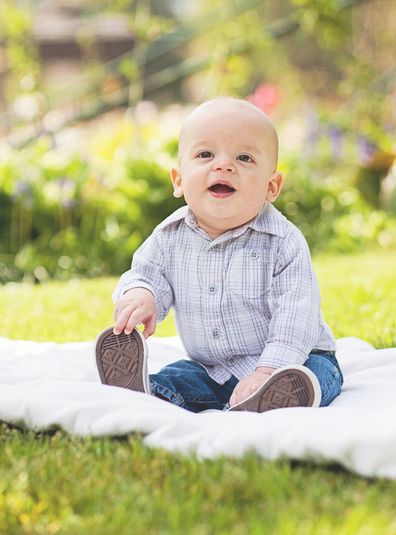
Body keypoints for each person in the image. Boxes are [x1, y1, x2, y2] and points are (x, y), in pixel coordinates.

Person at [95, 97, 343, 413]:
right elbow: (146, 273)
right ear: (179, 180)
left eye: (244, 157)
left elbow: (296, 315)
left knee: (316, 376)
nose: (223, 165)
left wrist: (268, 369)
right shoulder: (168, 236)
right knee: (179, 376)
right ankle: (146, 391)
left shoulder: (283, 242)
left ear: (272, 186)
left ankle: (275, 396)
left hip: (295, 356)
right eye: (205, 154)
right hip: (213, 369)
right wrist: (141, 295)